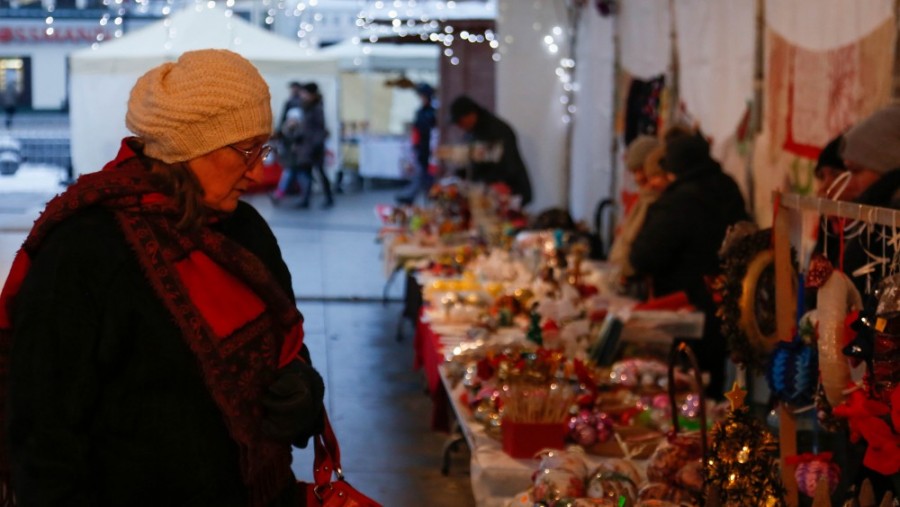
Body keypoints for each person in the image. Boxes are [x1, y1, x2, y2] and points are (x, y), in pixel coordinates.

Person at [0, 49, 324, 506]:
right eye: (246, 150)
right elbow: (42, 432)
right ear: (192, 148)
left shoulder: (245, 231)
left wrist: (304, 390)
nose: (257, 171)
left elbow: (288, 346)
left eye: (263, 148)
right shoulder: (85, 250)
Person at [629, 128, 749, 398]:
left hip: (682, 310)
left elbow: (643, 257)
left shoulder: (677, 202)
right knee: (711, 388)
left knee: (681, 389)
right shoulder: (728, 187)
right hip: (725, 304)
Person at [449, 95, 533, 206]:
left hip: (509, 189)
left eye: (460, 122)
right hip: (489, 190)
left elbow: (507, 162)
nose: (459, 126)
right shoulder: (473, 132)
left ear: (471, 114)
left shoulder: (496, 130)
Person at [608, 135, 665, 294]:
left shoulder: (659, 202)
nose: (638, 177)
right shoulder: (643, 199)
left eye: (641, 169)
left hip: (642, 284)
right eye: (634, 171)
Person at [396, 82, 438, 205]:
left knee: (427, 176)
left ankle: (416, 196)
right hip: (421, 148)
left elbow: (435, 132)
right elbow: (416, 131)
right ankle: (412, 195)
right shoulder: (420, 112)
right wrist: (414, 145)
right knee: (421, 174)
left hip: (430, 148)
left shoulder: (434, 113)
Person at [293, 82, 332, 209]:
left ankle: (328, 197)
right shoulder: (306, 107)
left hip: (314, 147)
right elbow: (305, 127)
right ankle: (306, 199)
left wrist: (316, 145)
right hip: (307, 146)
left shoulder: (316, 109)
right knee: (308, 173)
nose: (302, 95)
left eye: (305, 93)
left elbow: (320, 129)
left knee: (320, 172)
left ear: (312, 94)